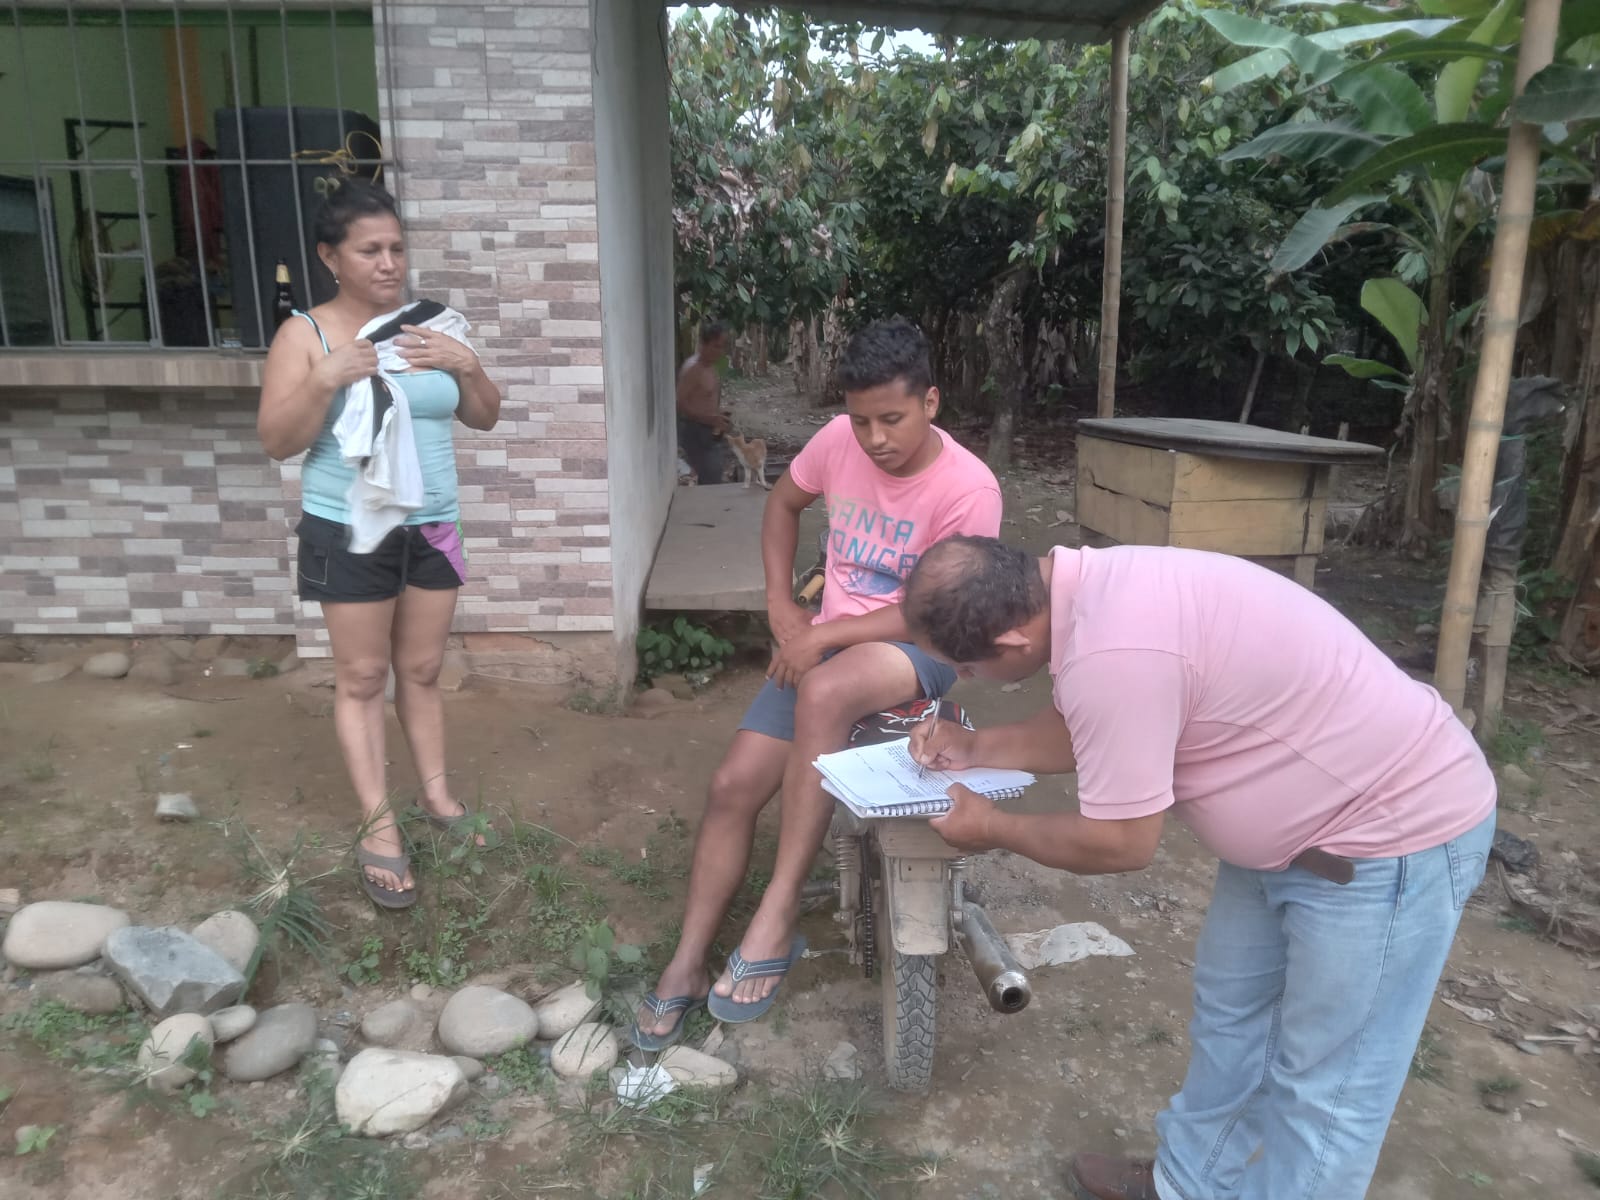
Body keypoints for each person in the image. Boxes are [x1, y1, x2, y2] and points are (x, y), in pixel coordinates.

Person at [899, 536, 1497, 1200]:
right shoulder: (1089, 592)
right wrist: (976, 745)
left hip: (1388, 839)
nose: (967, 681)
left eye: (967, 668)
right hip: (1295, 831)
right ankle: (1187, 1186)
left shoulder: (1114, 652)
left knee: (1329, 1090)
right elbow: (1095, 724)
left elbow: (1120, 843)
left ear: (1012, 641)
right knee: (1232, 1023)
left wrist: (992, 828)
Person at [632, 318, 1004, 1048]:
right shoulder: (837, 442)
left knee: (826, 691)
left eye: (891, 419)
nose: (874, 439)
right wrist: (779, 603)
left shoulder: (969, 489)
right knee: (732, 786)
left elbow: (939, 610)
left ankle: (776, 913)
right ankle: (686, 962)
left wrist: (823, 635)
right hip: (824, 645)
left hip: (919, 647)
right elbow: (782, 504)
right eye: (861, 421)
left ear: (930, 402)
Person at [256, 180, 502, 909]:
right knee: (363, 676)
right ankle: (379, 821)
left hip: (434, 523)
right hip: (348, 525)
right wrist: (323, 380)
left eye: (396, 247)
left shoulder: (433, 328)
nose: (389, 262)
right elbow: (277, 440)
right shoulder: (307, 335)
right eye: (370, 250)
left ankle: (437, 796)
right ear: (331, 256)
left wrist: (467, 365)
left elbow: (484, 415)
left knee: (421, 668)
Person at [676, 321, 732, 485]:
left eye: (722, 347)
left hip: (710, 431)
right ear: (703, 344)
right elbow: (680, 403)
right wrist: (708, 419)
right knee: (710, 478)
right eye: (716, 346)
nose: (719, 351)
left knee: (714, 475)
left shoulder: (711, 368)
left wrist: (718, 416)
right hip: (695, 432)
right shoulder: (693, 369)